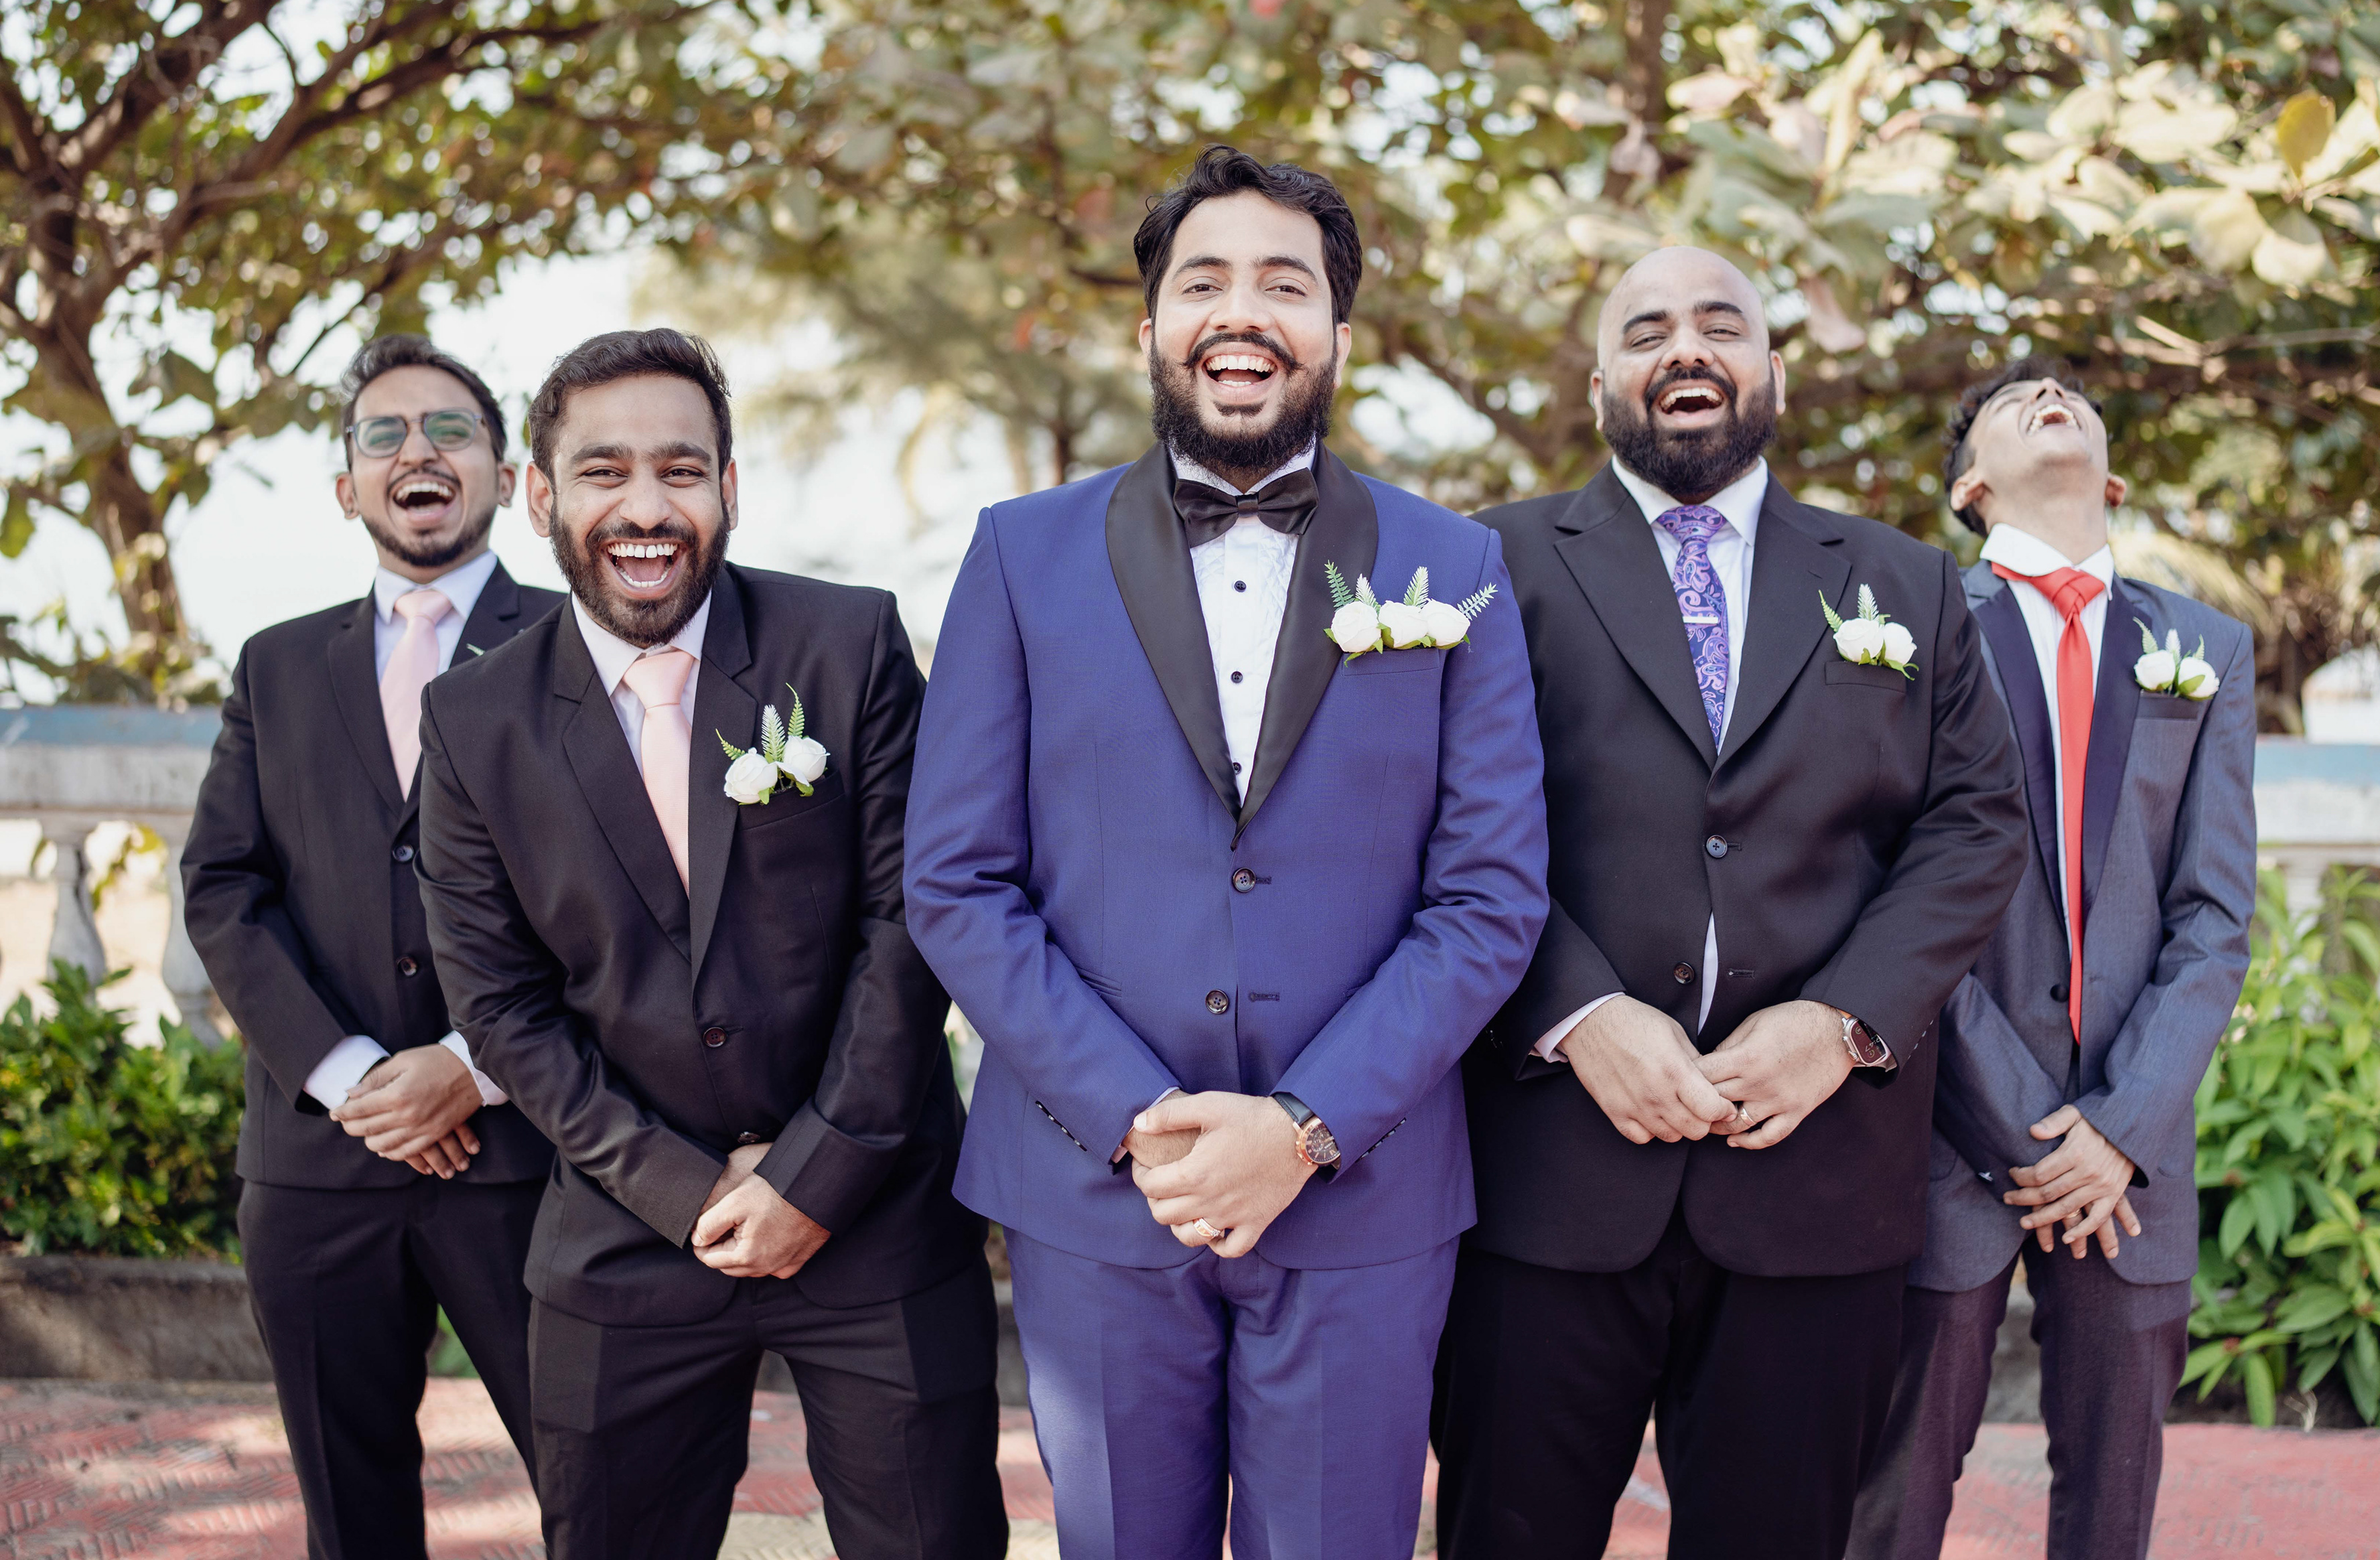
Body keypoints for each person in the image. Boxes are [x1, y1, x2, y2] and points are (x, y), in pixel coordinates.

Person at [904, 145, 1550, 1560]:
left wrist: (1306, 1126)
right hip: (1096, 1192)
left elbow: (1490, 899)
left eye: (1284, 284)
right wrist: (1141, 1117)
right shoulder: (1019, 554)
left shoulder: (1458, 569)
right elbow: (956, 878)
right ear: (1150, 327)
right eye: (1204, 282)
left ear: (1337, 330)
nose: (1241, 313)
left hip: (1364, 1195)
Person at [1432, 248, 2028, 1560]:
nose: (1685, 348)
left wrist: (1843, 1021)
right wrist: (1577, 1013)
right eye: (1646, 330)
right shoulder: (1487, 563)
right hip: (1546, 1180)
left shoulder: (1906, 583)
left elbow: (1977, 824)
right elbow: (1430, 814)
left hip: (1816, 1183)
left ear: (1774, 373)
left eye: (1721, 324)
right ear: (1602, 384)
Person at [411, 329, 1004, 1560]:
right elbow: (502, 1007)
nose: (645, 508)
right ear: (541, 497)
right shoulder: (471, 721)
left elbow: (911, 925)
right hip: (627, 1229)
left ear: (728, 488)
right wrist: (690, 1194)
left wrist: (811, 1180)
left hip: (874, 1216)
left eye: (680, 471)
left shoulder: (848, 643)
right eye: (603, 471)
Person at [1845, 358, 2255, 1560]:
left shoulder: (2206, 646)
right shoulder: (1911, 630)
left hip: (2133, 1157)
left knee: (2113, 1509)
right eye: (2011, 400)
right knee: (1892, 1501)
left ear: (2113, 477)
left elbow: (2215, 916)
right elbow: (1892, 895)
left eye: (2073, 395)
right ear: (1970, 486)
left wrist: (2120, 1128)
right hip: (1947, 1130)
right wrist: (2029, 1131)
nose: (2050, 397)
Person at [182, 334, 561, 1559]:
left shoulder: (582, 645)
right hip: (317, 1165)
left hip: (530, 1155)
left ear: (508, 476)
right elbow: (223, 887)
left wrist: (473, 1066)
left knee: (606, 1491)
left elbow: (628, 897)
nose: (417, 451)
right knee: (349, 1518)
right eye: (384, 433)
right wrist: (353, 1080)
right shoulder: (278, 664)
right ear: (346, 486)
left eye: (451, 429)